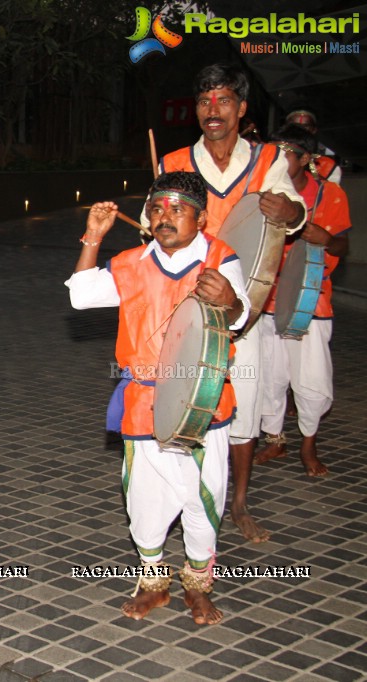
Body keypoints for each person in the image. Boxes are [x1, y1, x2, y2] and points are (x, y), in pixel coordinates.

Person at [69, 172, 249, 625]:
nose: (164, 217)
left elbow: (238, 316)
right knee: (144, 501)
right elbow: (82, 296)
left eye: (177, 208)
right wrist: (93, 236)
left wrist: (228, 300)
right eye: (156, 209)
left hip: (202, 401)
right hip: (144, 402)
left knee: (203, 500)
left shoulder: (220, 258)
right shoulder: (130, 262)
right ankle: (154, 583)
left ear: (201, 217)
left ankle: (197, 587)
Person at [154, 63, 305, 544]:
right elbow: (154, 226)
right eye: (204, 101)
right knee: (183, 403)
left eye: (222, 100)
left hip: (245, 310)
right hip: (186, 306)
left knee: (242, 408)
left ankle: (237, 504)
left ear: (241, 108)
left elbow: (295, 211)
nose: (212, 110)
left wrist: (290, 211)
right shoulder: (174, 160)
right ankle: (183, 500)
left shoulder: (268, 159)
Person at [255, 123, 351, 476]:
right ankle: (275, 440)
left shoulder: (331, 196)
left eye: (285, 153)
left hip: (312, 301)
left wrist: (325, 238)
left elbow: (343, 246)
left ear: (307, 158)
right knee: (270, 377)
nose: (277, 161)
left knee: (311, 381)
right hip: (266, 299)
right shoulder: (263, 194)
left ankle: (308, 445)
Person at [285, 108, 341, 185]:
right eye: (294, 126)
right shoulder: (272, 156)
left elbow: (331, 194)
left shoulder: (328, 166)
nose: (299, 131)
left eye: (305, 126)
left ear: (314, 130)